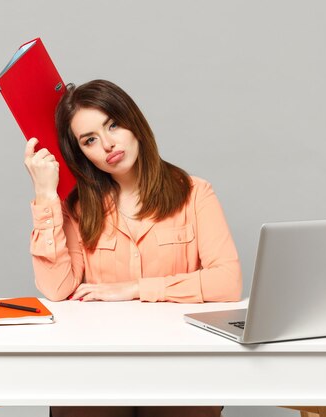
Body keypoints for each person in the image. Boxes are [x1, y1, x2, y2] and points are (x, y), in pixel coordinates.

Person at [24, 79, 241, 417]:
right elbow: (57, 288)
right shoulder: (77, 207)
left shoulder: (195, 193)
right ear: (80, 152)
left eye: (113, 124)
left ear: (133, 122)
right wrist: (46, 196)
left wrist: (137, 289)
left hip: (180, 363)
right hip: (97, 363)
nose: (109, 144)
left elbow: (227, 283)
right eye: (90, 140)